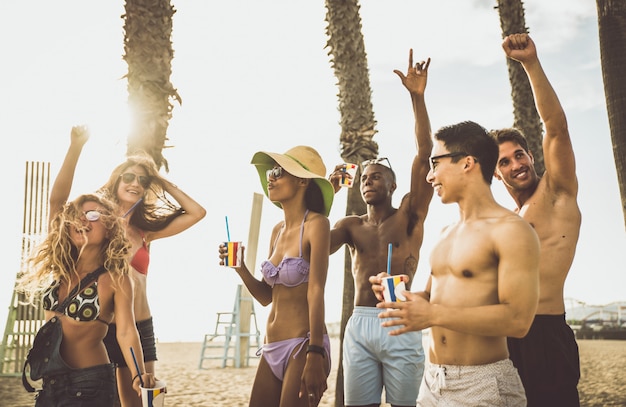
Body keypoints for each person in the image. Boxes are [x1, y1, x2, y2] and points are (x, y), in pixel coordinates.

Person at [371, 120, 541, 406]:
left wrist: (432, 315)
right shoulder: (445, 233)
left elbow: (518, 320)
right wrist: (402, 298)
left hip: (482, 384)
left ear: (467, 163)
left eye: (435, 163)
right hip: (432, 381)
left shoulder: (512, 230)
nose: (430, 176)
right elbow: (430, 298)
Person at [49, 126, 206, 407]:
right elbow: (58, 205)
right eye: (129, 177)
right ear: (116, 180)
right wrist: (75, 147)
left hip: (140, 325)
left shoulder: (146, 231)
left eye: (142, 181)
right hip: (102, 323)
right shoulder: (97, 229)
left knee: (142, 400)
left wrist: (159, 180)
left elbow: (198, 212)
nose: (136, 183)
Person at [327, 50, 433, 407]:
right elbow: (313, 247)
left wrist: (416, 97)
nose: (368, 182)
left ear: (391, 185)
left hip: (400, 318)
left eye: (376, 178)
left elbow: (424, 153)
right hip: (360, 323)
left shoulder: (409, 213)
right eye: (364, 179)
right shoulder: (350, 226)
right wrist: (326, 194)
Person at [493, 33, 582, 406]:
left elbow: (556, 128)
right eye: (504, 161)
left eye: (520, 155)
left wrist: (530, 63)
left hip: (545, 335)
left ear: (532, 155)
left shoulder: (556, 193)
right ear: (495, 175)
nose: (517, 164)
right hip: (505, 339)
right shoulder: (509, 219)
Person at [218, 145, 333, 407]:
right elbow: (267, 297)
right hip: (271, 347)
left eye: (279, 172)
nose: (271, 177)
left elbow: (316, 291)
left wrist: (315, 353)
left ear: (302, 180)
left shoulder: (317, 225)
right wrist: (240, 267)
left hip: (303, 346)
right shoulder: (276, 231)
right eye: (271, 171)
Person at [18, 193, 156, 406]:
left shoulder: (116, 280)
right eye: (77, 215)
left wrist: (138, 374)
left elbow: (127, 331)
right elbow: (56, 199)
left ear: (109, 228)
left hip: (90, 384)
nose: (82, 220)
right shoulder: (59, 270)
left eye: (92, 215)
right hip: (51, 383)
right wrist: (73, 156)